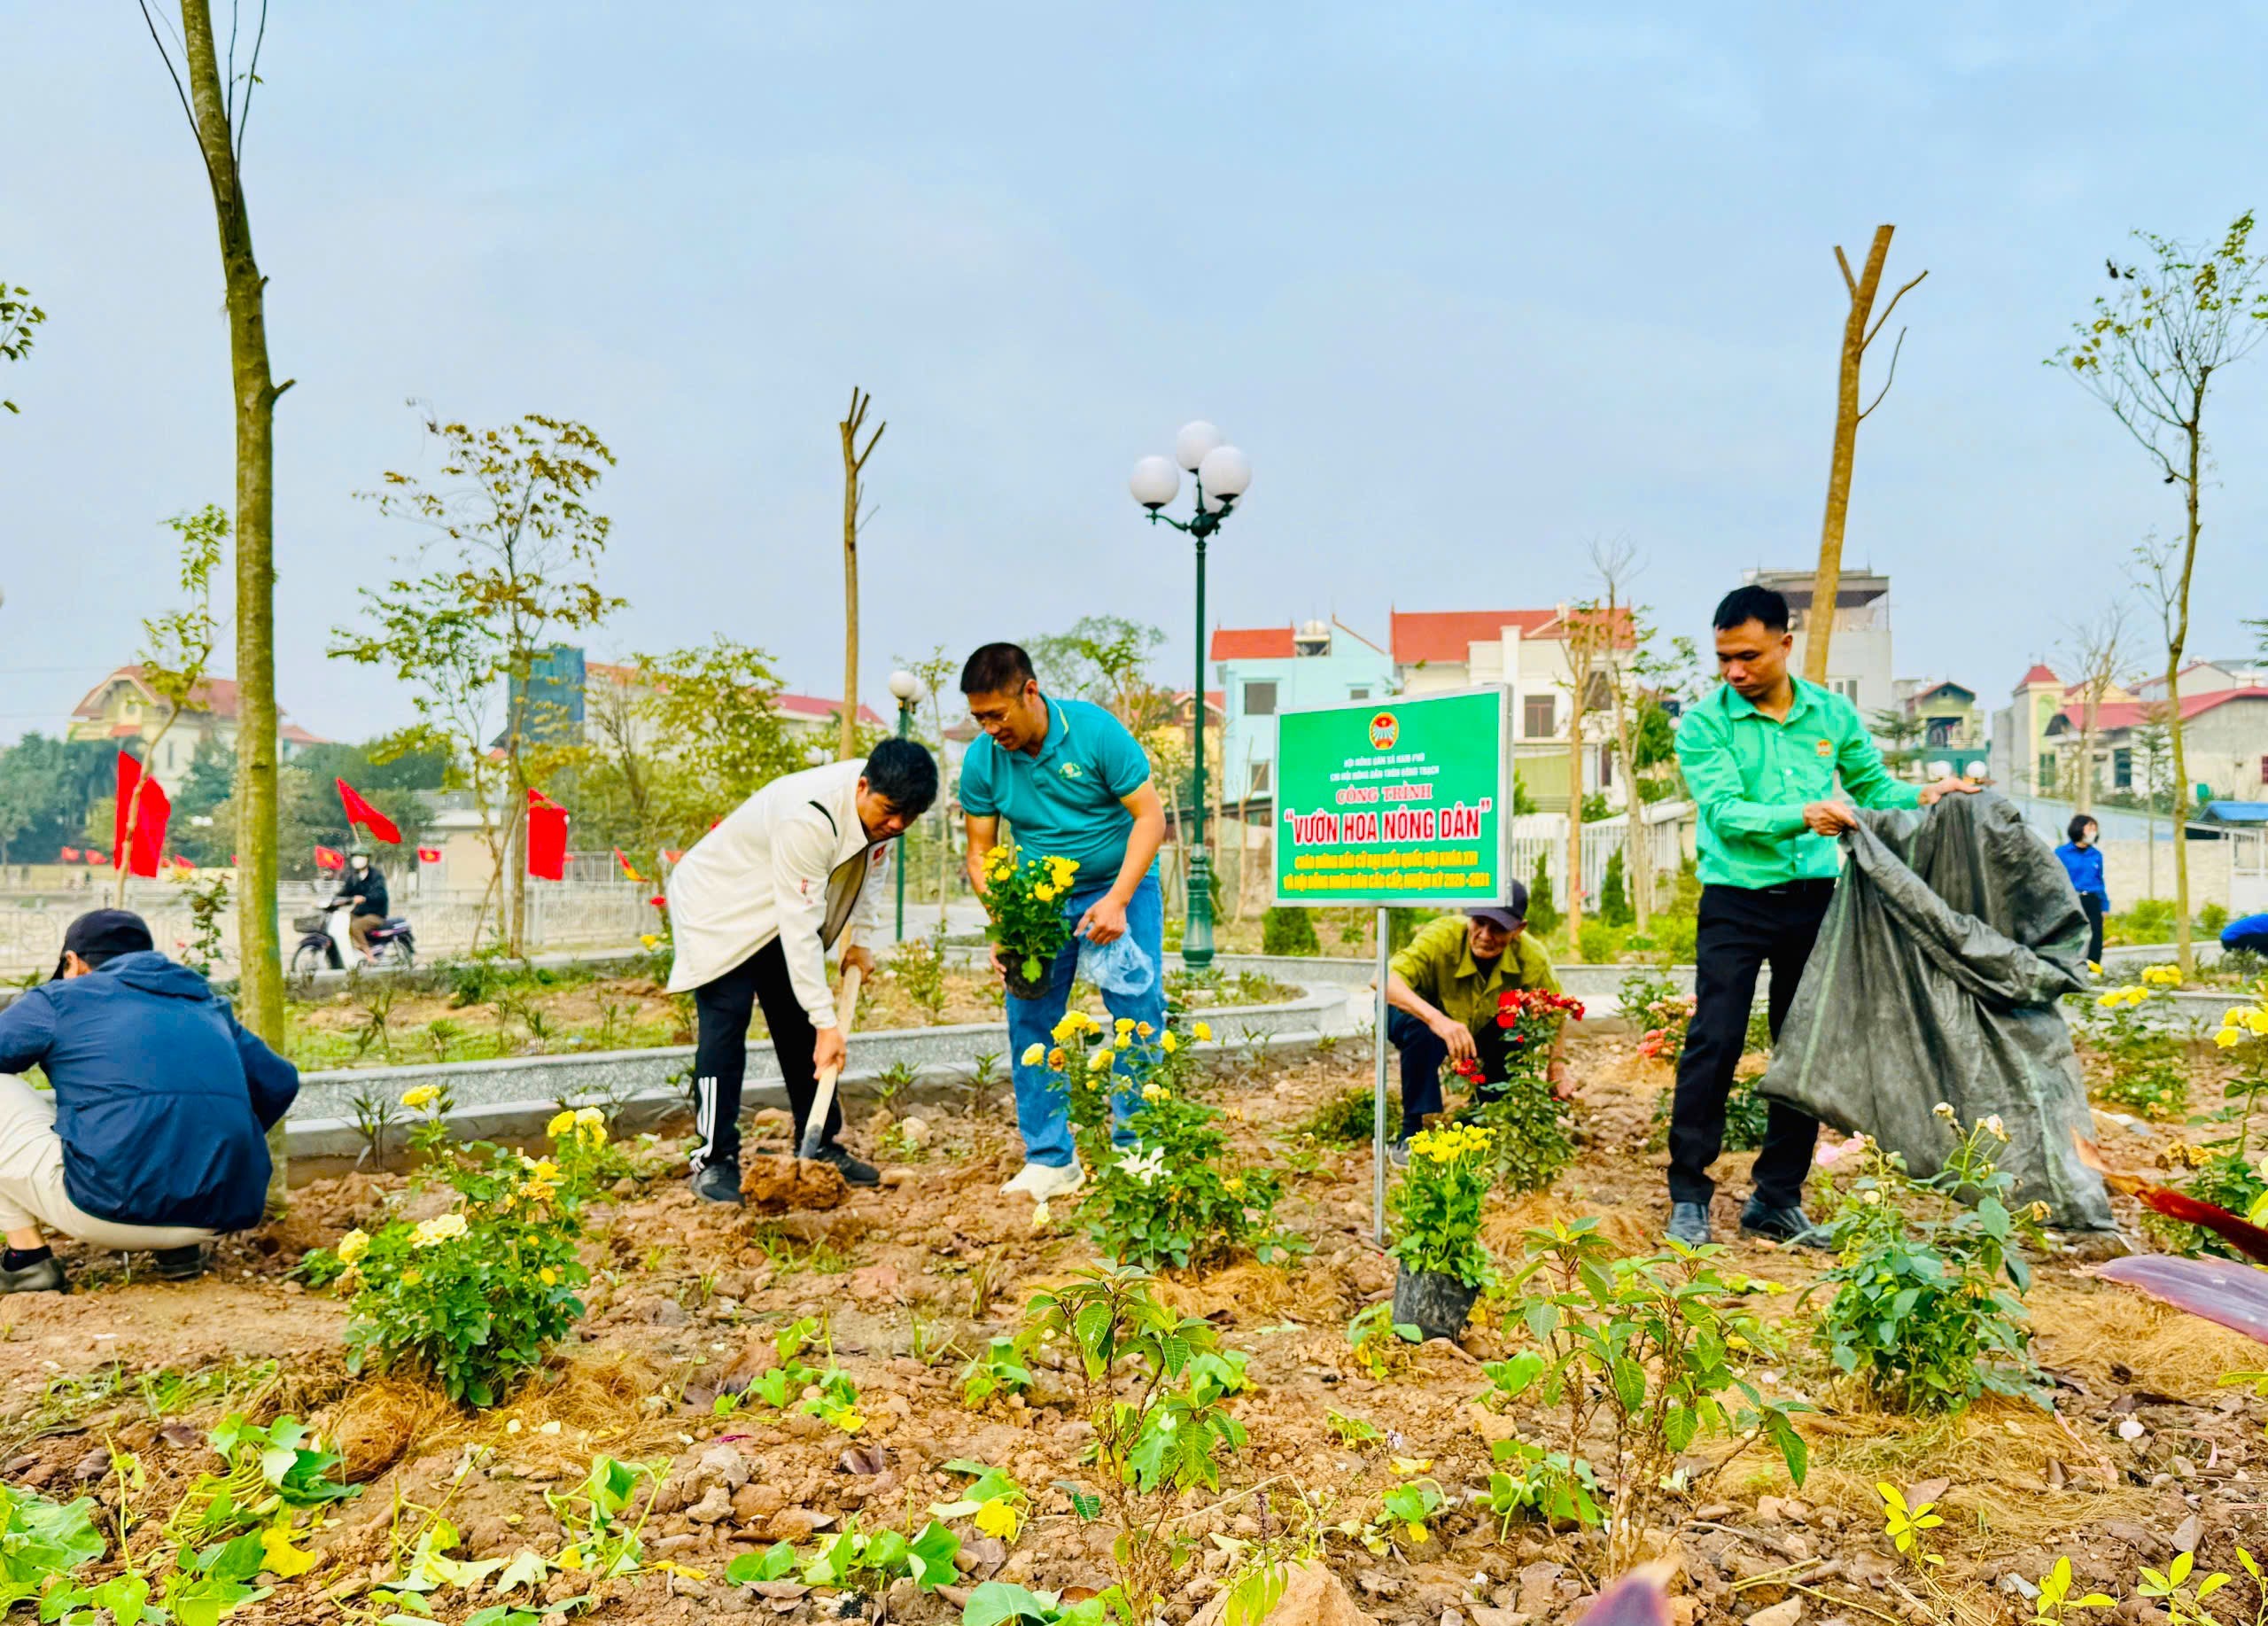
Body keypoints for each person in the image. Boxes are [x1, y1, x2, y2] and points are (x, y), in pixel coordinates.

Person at [1667, 584, 1977, 1248]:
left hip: (1814, 902)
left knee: (1805, 1047)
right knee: (1714, 1041)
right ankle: (1689, 1193)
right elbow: (1725, 813)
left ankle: (1777, 1197)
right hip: (1733, 905)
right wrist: (1804, 813)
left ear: (1785, 643)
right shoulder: (1704, 724)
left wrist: (1927, 792)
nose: (1734, 672)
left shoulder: (1831, 716)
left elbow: (1875, 789)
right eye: (1724, 658)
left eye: (1747, 656)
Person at [665, 739, 938, 1203]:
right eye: (891, 811)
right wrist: (828, 1022)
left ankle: (822, 1145)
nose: (896, 825)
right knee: (725, 1024)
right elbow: (801, 925)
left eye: (907, 819)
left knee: (798, 1027)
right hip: (719, 906)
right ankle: (714, 1160)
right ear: (863, 786)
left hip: (777, 905)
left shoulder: (884, 814)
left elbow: (872, 873)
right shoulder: (809, 817)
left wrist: (863, 941)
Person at [959, 642, 1169, 1202]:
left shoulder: (1095, 732)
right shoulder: (983, 760)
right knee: (1030, 1020)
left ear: (1031, 692)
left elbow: (1151, 818)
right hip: (1037, 899)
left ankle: (1138, 1151)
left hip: (1120, 886)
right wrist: (1005, 921)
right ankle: (1051, 1160)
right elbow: (980, 852)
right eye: (978, 718)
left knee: (1138, 1011)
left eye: (997, 715)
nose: (989, 729)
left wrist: (1119, 899)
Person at [0, 909, 299, 1294]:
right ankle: (181, 1251)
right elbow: (280, 1080)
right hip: (216, 1214)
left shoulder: (61, 998)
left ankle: (26, 1261)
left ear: (72, 962)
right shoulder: (204, 1003)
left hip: (104, 1209)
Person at [1383, 884, 1565, 1161]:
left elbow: (1556, 1010)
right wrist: (1438, 1020)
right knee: (1420, 1031)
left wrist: (1557, 1067)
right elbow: (1382, 980)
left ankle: (1476, 1123)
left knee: (1514, 1033)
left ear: (1519, 928)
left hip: (1477, 1022)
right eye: (1479, 923)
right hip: (1418, 1013)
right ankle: (1411, 1132)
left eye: (1499, 929)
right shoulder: (1441, 935)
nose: (1485, 936)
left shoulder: (1531, 957)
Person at [2055, 814, 2109, 965]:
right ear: (2078, 828)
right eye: (2090, 828)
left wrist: (2104, 906)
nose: (2093, 832)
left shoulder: (2096, 855)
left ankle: (2093, 967)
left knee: (2095, 936)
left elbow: (2100, 880)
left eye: (2095, 829)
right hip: (2071, 899)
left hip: (2092, 899)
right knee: (2070, 934)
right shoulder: (2061, 853)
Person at [336, 846, 390, 962]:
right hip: (360, 913)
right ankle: (352, 951)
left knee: (356, 926)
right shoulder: (353, 877)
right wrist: (332, 900)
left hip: (376, 914)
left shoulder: (376, 876)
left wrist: (365, 898)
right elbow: (345, 892)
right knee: (342, 921)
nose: (357, 860)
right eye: (355, 857)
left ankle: (369, 954)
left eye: (360, 857)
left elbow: (380, 894)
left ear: (367, 859)